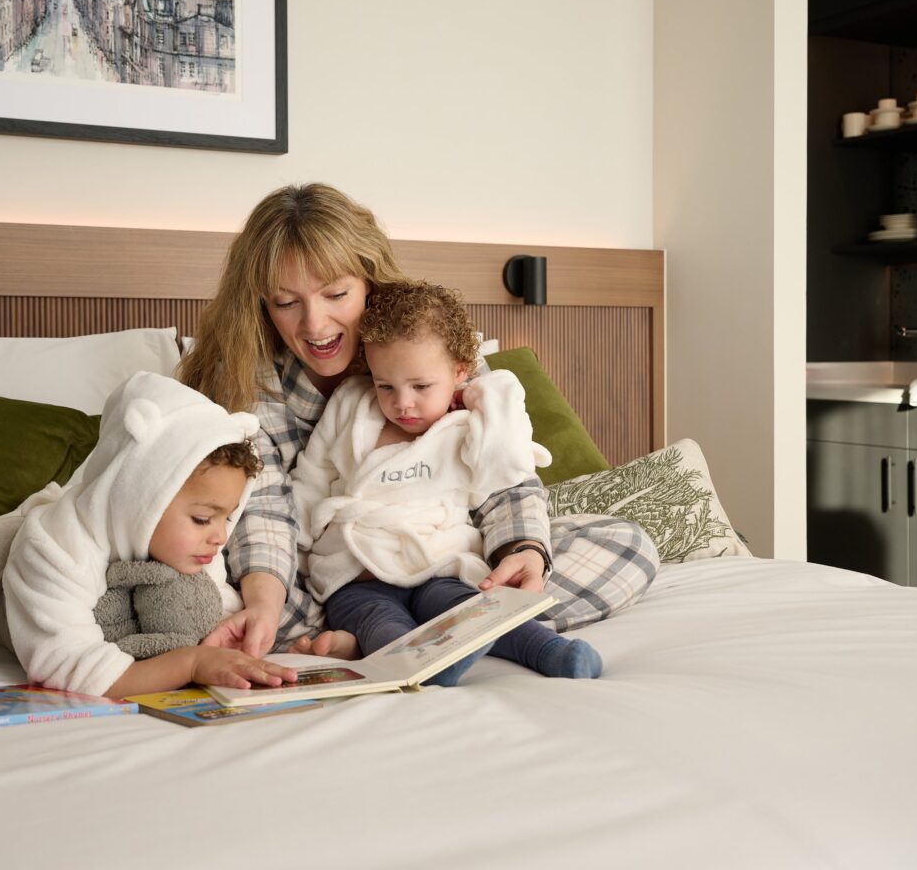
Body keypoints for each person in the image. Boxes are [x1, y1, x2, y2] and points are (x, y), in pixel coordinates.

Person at [180, 183, 658, 660]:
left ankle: (407, 633)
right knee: (203, 598)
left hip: (449, 559)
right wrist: (266, 602)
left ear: (369, 280)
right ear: (262, 304)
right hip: (334, 575)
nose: (315, 324)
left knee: (628, 545)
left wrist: (524, 552)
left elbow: (504, 476)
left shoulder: (438, 350)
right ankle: (452, 629)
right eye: (287, 303)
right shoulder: (251, 378)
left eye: (336, 294)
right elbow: (266, 508)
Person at [292, 280, 602, 682]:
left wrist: (488, 394)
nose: (402, 402)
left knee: (475, 612)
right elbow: (311, 479)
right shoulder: (352, 404)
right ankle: (423, 666)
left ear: (459, 370)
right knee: (380, 625)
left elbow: (506, 466)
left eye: (421, 386)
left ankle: (554, 653)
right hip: (357, 574)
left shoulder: (468, 427)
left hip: (437, 564)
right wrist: (297, 554)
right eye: (385, 385)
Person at [3, 371, 297, 698]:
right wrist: (189, 664)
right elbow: (69, 666)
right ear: (140, 498)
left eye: (227, 518)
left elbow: (209, 610)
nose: (220, 537)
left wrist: (244, 645)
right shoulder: (55, 546)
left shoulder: (197, 548)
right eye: (202, 519)